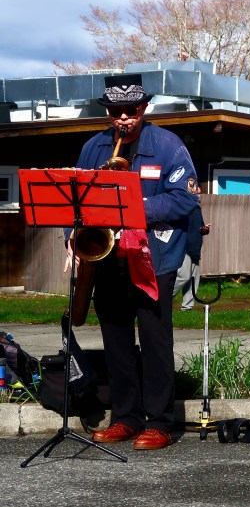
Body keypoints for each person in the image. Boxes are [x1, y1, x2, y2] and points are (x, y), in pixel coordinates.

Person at [64, 74, 199, 451]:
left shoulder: (168, 145)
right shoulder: (93, 147)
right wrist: (71, 236)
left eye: (131, 109)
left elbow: (185, 199)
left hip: (154, 256)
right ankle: (126, 417)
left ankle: (159, 422)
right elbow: (74, 199)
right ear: (108, 112)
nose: (124, 117)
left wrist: (131, 207)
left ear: (144, 107)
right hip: (108, 257)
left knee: (155, 341)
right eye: (116, 111)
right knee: (116, 341)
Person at [172, 179, 210, 311]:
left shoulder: (197, 208)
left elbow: (199, 227)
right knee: (183, 276)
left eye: (198, 193)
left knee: (194, 279)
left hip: (195, 247)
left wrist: (204, 229)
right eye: (195, 192)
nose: (197, 195)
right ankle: (163, 298)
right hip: (184, 247)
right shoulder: (183, 207)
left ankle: (187, 307)